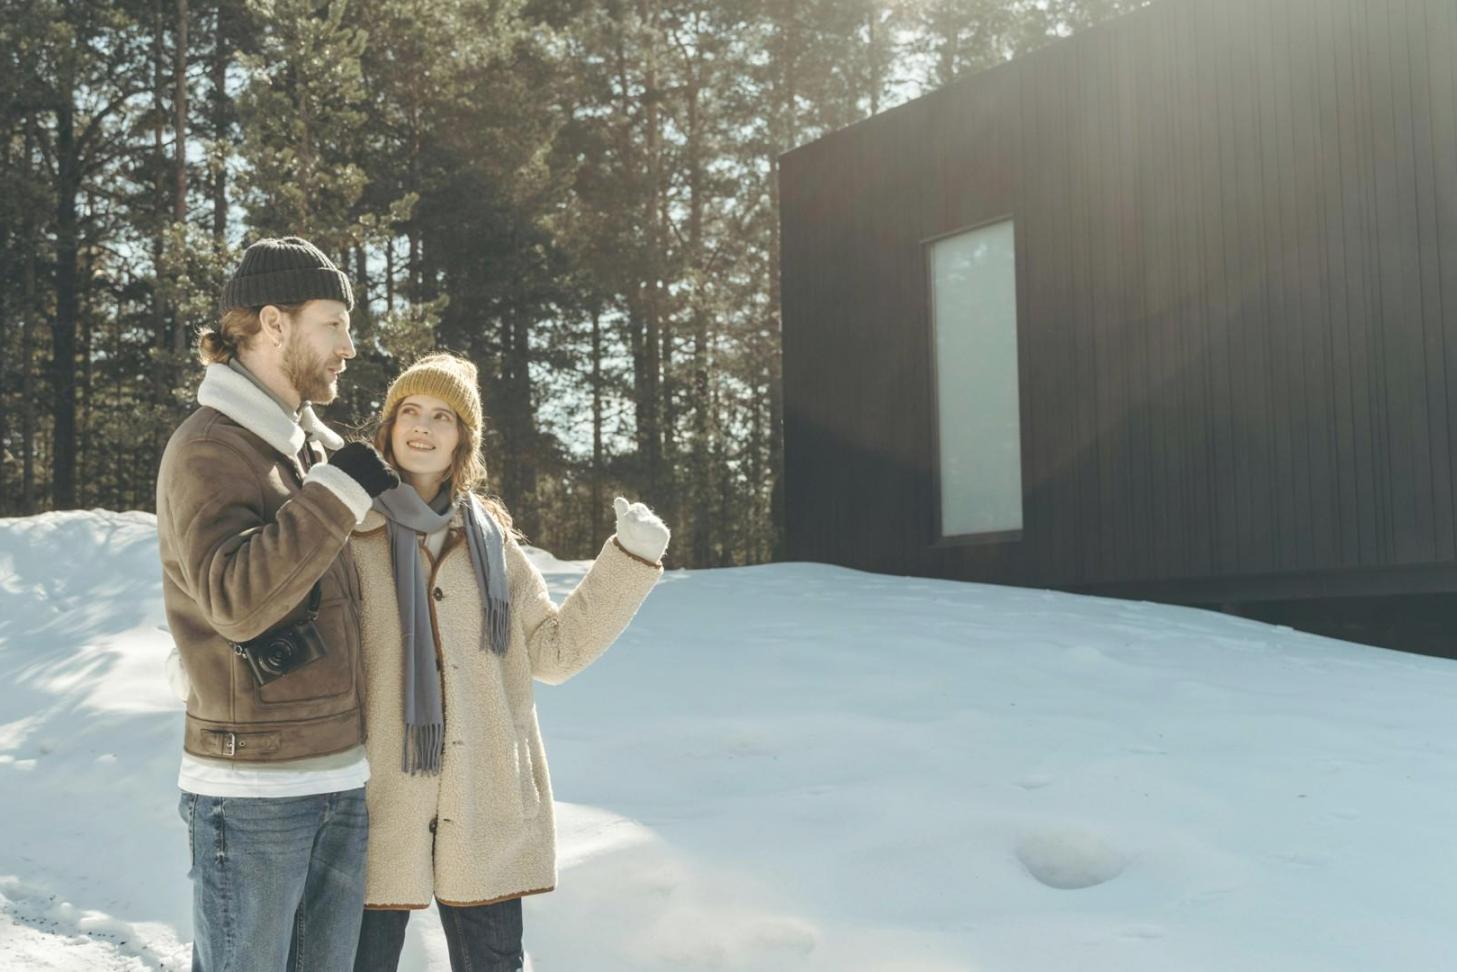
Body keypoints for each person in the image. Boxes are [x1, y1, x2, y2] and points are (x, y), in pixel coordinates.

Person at [349, 353, 669, 972]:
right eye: (409, 412)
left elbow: (554, 652)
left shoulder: (491, 541)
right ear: (388, 429)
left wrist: (627, 561)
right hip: (380, 793)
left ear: (461, 439)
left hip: (484, 794)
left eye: (442, 416)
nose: (423, 426)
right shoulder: (350, 531)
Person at [156, 236, 400, 971]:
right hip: (253, 788)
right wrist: (334, 493)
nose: (349, 346)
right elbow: (236, 599)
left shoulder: (299, 449)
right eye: (333, 324)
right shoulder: (210, 448)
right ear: (273, 323)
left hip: (336, 774)